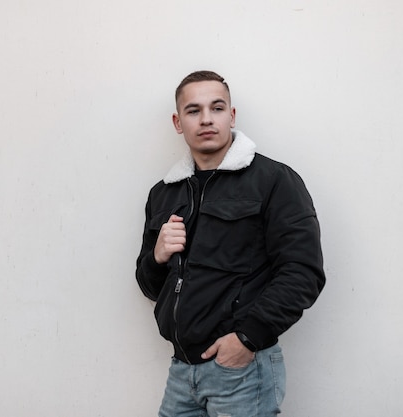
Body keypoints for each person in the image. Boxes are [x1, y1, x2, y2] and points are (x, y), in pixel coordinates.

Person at [135, 70, 325, 417]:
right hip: (181, 370)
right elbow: (150, 287)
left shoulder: (273, 181)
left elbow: (303, 272)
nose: (206, 119)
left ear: (231, 115)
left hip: (239, 370)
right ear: (178, 122)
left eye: (217, 108)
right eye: (193, 111)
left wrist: (248, 339)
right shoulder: (164, 193)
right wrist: (157, 256)